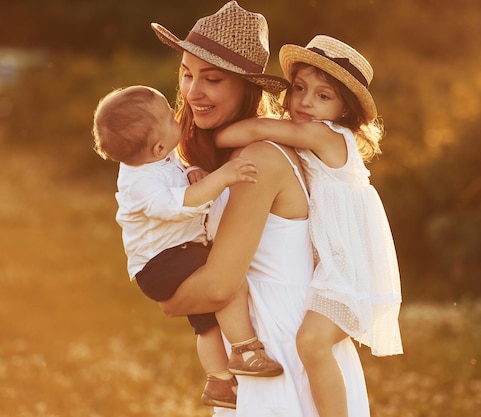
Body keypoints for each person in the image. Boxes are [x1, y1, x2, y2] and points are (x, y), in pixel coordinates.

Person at [150, 1, 371, 416]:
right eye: (186, 73)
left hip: (283, 349)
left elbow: (217, 286)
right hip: (256, 351)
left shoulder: (262, 159)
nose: (193, 91)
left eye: (211, 79)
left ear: (247, 86)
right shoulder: (228, 159)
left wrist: (170, 297)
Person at [215, 34, 404, 417]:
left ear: (344, 111)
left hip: (350, 271)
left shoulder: (325, 135)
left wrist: (215, 135)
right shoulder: (313, 138)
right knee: (313, 345)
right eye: (299, 88)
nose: (304, 101)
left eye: (323, 96)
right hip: (336, 266)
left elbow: (248, 132)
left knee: (312, 344)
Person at [91, 85, 284, 411]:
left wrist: (191, 170)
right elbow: (175, 205)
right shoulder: (139, 183)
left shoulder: (155, 159)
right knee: (227, 277)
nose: (176, 113)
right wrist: (221, 178)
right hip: (161, 263)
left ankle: (219, 381)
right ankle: (245, 349)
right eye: (169, 114)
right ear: (158, 145)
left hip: (169, 258)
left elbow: (173, 172)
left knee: (207, 323)